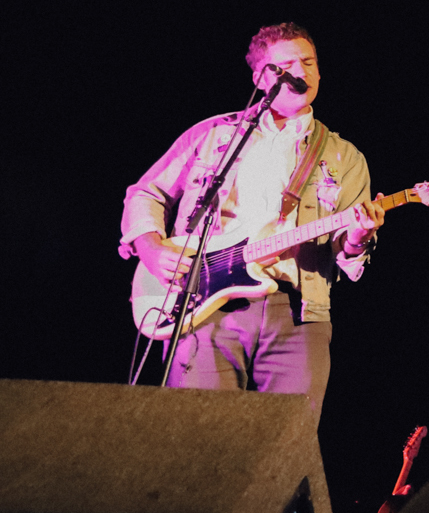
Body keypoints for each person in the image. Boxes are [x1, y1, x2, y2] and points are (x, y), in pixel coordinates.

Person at [121, 23, 384, 421]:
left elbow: (347, 257)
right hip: (204, 306)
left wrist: (358, 238)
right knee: (199, 438)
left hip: (297, 315)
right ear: (261, 78)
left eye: (309, 62)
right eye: (287, 66)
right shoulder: (213, 135)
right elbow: (145, 193)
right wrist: (153, 249)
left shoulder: (344, 157)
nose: (302, 72)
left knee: (286, 448)